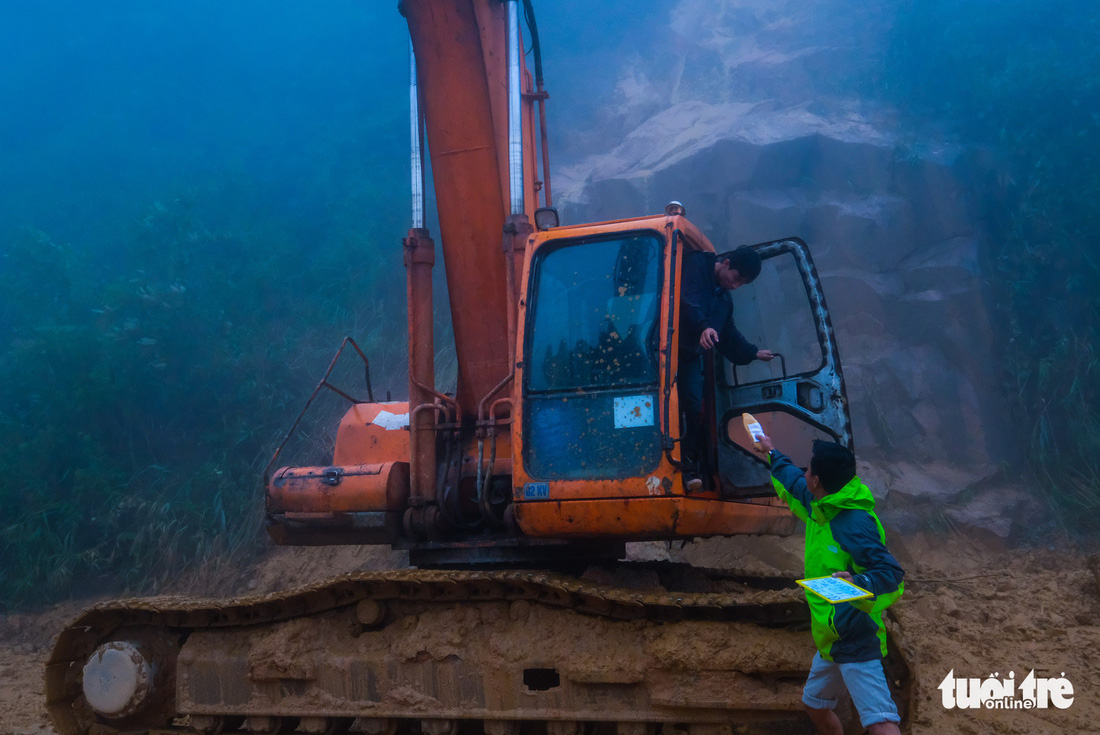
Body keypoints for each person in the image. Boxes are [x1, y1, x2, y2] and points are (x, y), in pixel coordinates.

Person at [754, 434, 905, 735]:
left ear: (817, 480)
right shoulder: (819, 503)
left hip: (855, 637)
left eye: (809, 470)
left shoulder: (854, 523)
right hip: (831, 640)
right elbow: (791, 478)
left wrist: (859, 581)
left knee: (880, 724)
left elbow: (891, 573)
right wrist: (770, 449)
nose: (805, 473)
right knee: (815, 705)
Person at [678, 245, 774, 491]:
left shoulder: (723, 300)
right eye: (736, 278)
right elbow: (689, 300)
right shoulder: (696, 265)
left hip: (687, 358)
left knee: (691, 405)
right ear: (727, 263)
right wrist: (703, 327)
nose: (736, 285)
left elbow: (727, 336)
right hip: (658, 349)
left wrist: (752, 353)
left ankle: (685, 467)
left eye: (743, 283)